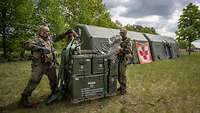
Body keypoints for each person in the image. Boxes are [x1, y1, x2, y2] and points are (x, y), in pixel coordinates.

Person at [19, 25, 71, 107]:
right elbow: (26, 45)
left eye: (48, 31)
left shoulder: (49, 39)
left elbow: (58, 37)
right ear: (40, 32)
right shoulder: (35, 39)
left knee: (54, 80)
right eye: (46, 31)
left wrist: (66, 33)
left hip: (50, 64)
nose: (48, 33)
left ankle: (54, 94)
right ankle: (23, 99)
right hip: (39, 65)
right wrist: (39, 48)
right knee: (34, 81)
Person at [117, 28, 132, 95]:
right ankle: (121, 86)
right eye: (120, 32)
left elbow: (129, 51)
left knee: (122, 74)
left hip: (123, 59)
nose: (121, 33)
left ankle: (124, 89)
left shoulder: (128, 40)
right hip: (118, 58)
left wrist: (121, 49)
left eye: (122, 32)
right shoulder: (119, 40)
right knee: (118, 74)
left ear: (125, 33)